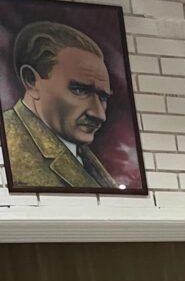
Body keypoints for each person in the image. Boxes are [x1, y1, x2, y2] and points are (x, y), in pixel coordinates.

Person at [1, 21, 116, 189]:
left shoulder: (80, 152)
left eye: (103, 97)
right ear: (31, 80)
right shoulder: (12, 149)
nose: (99, 114)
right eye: (79, 90)